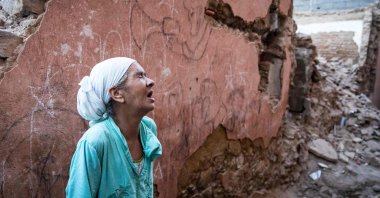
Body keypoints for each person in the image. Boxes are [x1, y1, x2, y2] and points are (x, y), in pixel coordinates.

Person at [66, 57, 162, 198]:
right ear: (117, 94)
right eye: (140, 76)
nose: (150, 81)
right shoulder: (95, 142)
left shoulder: (148, 129)